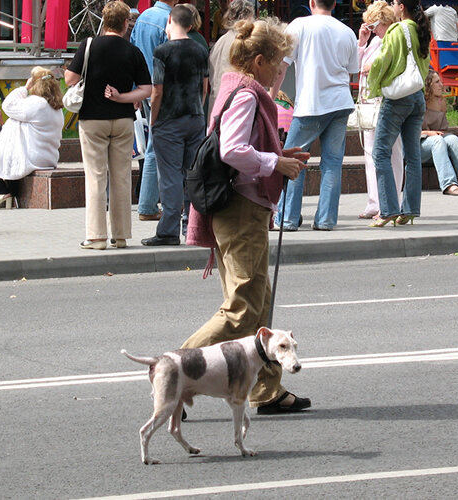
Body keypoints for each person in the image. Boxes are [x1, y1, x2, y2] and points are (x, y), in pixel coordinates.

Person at [181, 17, 310, 415]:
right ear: (258, 61)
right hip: (240, 209)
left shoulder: (233, 87)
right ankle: (176, 367)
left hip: (240, 206)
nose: (280, 72)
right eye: (278, 64)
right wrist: (275, 163)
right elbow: (233, 150)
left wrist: (280, 158)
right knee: (242, 308)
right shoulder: (247, 94)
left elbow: (237, 148)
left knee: (260, 305)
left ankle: (267, 389)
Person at [66, 1, 152, 250]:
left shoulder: (89, 45)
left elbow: (71, 78)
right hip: (123, 121)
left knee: (95, 177)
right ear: (126, 23)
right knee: (121, 177)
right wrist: (122, 97)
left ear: (104, 22)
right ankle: (121, 235)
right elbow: (145, 89)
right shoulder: (132, 51)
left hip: (92, 120)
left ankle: (96, 237)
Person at [272, 0, 359, 231]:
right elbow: (353, 71)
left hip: (311, 104)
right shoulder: (347, 31)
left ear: (311, 2)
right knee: (332, 163)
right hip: (341, 102)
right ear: (334, 4)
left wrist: (270, 96)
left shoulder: (299, 25)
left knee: (293, 159)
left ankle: (287, 218)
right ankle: (326, 220)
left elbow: (281, 66)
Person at [141, 4, 208, 246]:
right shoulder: (201, 50)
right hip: (195, 119)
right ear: (191, 25)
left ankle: (168, 231)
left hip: (169, 120)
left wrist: (153, 119)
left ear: (169, 21)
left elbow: (157, 90)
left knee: (169, 177)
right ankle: (192, 226)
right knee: (192, 173)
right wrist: (197, 109)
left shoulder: (162, 52)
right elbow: (205, 87)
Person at [366, 0, 431, 227]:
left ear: (401, 6)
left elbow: (384, 61)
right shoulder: (421, 30)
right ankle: (410, 209)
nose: (392, 6)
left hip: (397, 98)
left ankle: (388, 210)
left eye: (394, 2)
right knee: (412, 156)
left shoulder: (398, 30)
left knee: (380, 153)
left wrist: (372, 78)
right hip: (417, 96)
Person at [0, 67, 64, 210]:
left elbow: (8, 105)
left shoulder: (37, 104)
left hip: (32, 156)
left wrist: (25, 88)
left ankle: (0, 191)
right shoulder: (55, 108)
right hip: (46, 156)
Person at [130, 0, 178, 221]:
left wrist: (136, 90)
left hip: (147, 90)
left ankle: (148, 203)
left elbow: (134, 54)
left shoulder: (143, 17)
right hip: (163, 92)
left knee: (154, 145)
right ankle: (148, 204)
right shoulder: (169, 20)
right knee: (156, 148)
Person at [355, 1, 403, 219]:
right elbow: (355, 67)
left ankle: (390, 202)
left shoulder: (394, 40)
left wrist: (371, 68)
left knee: (390, 154)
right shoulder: (374, 42)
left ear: (384, 22)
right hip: (370, 104)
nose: (371, 29)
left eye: (373, 25)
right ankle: (375, 201)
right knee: (371, 155)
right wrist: (362, 43)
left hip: (386, 103)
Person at [208, 0, 255, 121]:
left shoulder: (219, 42)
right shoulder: (246, 42)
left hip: (217, 105)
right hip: (236, 108)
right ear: (247, 17)